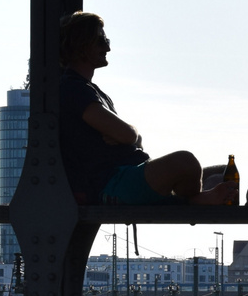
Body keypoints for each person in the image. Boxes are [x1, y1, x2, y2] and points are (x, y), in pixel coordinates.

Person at [57, 12, 231, 205]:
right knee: (186, 162)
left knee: (224, 172)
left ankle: (189, 198)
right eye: (100, 40)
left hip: (131, 173)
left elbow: (130, 138)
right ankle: (193, 201)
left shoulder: (89, 91)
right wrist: (129, 135)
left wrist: (127, 136)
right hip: (113, 183)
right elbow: (129, 136)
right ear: (81, 44)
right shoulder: (73, 89)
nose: (107, 47)